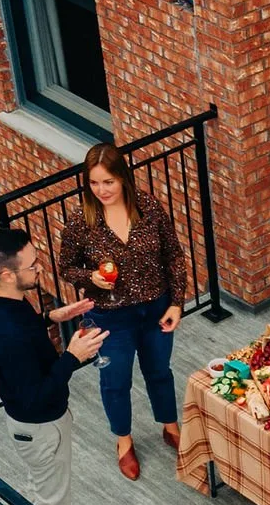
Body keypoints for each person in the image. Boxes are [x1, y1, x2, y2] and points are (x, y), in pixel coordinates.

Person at [0, 226, 106, 505]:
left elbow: (24, 333)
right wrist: (73, 357)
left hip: (35, 424)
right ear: (7, 274)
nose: (39, 270)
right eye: (32, 266)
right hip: (40, 426)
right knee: (52, 502)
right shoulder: (8, 336)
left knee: (45, 490)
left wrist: (52, 317)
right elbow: (34, 395)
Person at [57, 142, 184, 482]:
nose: (101, 190)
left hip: (156, 309)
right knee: (115, 381)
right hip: (109, 317)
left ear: (123, 178)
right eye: (94, 183)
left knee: (159, 371)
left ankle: (170, 426)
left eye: (108, 182)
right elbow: (66, 267)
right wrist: (91, 277)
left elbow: (173, 255)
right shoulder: (81, 221)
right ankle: (124, 441)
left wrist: (176, 302)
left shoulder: (148, 207)